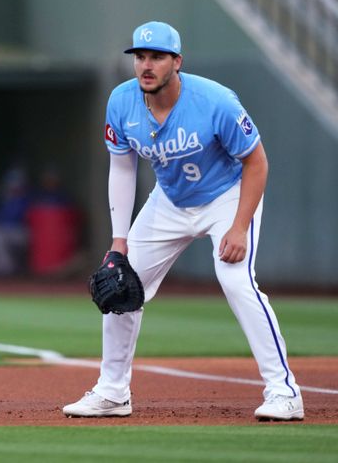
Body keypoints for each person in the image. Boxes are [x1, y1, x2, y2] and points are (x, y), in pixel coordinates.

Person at [63, 22, 303, 421]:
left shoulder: (215, 101)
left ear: (177, 62)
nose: (146, 65)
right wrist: (118, 241)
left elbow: (256, 162)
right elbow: (121, 169)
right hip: (170, 201)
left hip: (226, 196)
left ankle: (284, 392)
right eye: (140, 56)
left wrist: (239, 226)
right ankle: (112, 392)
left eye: (157, 57)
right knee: (122, 284)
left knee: (236, 280)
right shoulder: (122, 102)